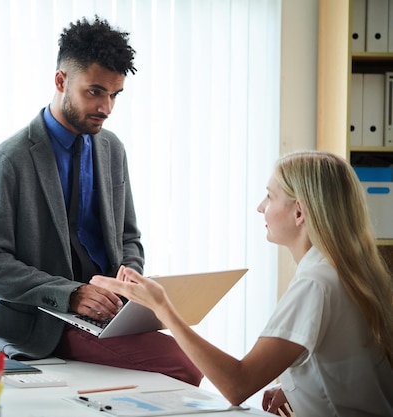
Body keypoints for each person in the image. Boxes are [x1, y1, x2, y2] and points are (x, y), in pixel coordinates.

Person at [0, 16, 202, 386]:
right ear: (61, 81)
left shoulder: (112, 149)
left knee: (193, 349)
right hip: (45, 322)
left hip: (110, 312)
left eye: (114, 95)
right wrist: (71, 294)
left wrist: (127, 280)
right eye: (95, 92)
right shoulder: (12, 157)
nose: (106, 107)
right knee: (184, 363)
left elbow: (129, 238)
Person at [91, 150, 393, 416]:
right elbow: (347, 363)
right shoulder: (349, 270)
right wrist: (296, 387)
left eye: (270, 196)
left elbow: (237, 385)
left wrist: (163, 307)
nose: (261, 207)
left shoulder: (315, 283)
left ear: (299, 212)